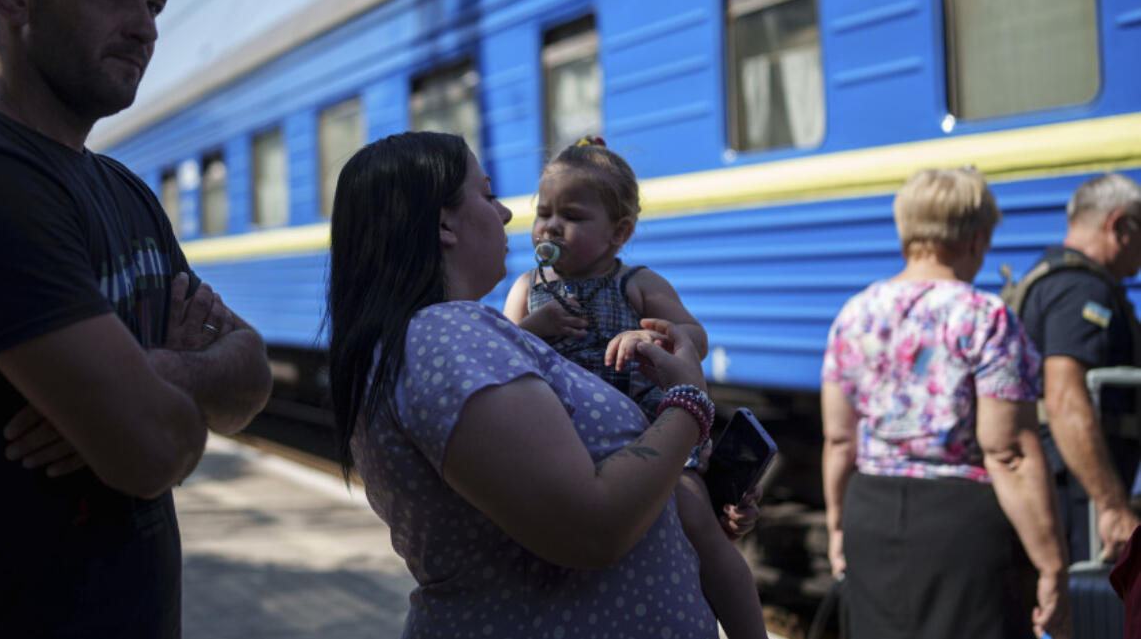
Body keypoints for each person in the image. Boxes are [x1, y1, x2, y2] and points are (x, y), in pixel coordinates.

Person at [0, 0, 272, 637]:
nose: (144, 25)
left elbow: (253, 378)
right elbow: (153, 450)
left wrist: (157, 375)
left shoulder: (125, 192)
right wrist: (162, 395)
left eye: (154, 2)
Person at [328, 131, 763, 638]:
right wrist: (689, 405)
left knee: (706, 529)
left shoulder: (438, 337)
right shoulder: (448, 336)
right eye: (488, 195)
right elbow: (592, 525)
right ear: (445, 223)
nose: (508, 215)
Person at [502, 136, 765, 636]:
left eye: (573, 216)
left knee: (696, 520)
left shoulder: (638, 284)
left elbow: (697, 337)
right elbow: (500, 355)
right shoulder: (526, 289)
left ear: (619, 232)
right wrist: (535, 329)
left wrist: (652, 334)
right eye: (544, 212)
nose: (551, 226)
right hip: (560, 439)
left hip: (650, 436)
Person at [821, 167, 1070, 639]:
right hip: (960, 522)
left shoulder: (855, 314)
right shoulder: (985, 316)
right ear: (976, 238)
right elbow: (1009, 452)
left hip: (870, 510)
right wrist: (1051, 563)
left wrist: (838, 525)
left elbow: (838, 439)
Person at [1006, 173, 1141, 563]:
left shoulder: (1050, 276)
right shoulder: (1082, 290)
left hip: (1065, 479)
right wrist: (1112, 506)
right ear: (1119, 226)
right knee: (1089, 612)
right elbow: (1065, 399)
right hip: (1079, 490)